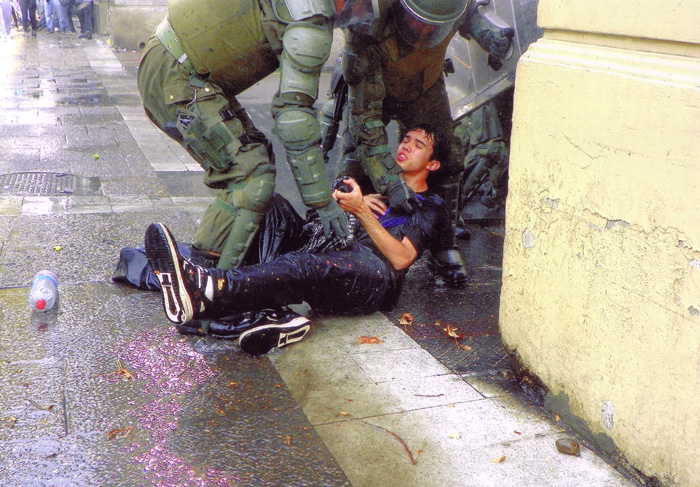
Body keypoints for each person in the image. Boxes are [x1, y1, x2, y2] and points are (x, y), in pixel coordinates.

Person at [144, 125, 451, 356]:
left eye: (419, 144)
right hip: (338, 253)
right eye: (406, 139)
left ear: (433, 164)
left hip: (374, 279)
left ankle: (212, 289)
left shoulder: (430, 206)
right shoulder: (378, 189)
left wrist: (360, 210)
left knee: (301, 264)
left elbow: (401, 259)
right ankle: (263, 310)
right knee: (274, 204)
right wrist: (338, 202)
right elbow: (324, 219)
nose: (406, 146)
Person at [137, 0, 347, 273]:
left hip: (180, 65)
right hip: (178, 76)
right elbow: (294, 117)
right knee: (252, 177)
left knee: (256, 156)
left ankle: (205, 267)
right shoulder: (309, 12)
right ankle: (216, 292)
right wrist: (322, 202)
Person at [331, 0, 513, 286]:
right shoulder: (367, 24)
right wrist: (392, 184)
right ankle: (342, 237)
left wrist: (493, 38)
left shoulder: (452, 6)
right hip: (372, 88)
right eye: (418, 21)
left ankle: (444, 244)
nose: (425, 30)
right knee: (356, 164)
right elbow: (368, 130)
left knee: (448, 158)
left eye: (434, 26)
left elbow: (471, 19)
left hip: (424, 87)